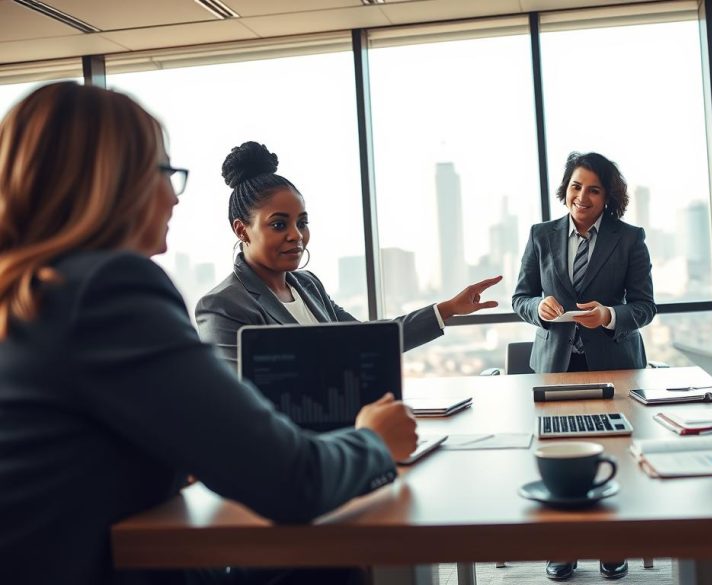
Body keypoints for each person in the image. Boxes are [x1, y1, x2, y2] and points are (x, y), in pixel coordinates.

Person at [0, 82, 418, 585]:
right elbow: (289, 480)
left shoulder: (33, 292)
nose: (174, 198)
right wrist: (374, 440)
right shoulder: (105, 291)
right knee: (329, 564)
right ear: (110, 183)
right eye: (164, 173)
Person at [195, 141, 501, 368]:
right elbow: (237, 409)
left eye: (302, 223)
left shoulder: (308, 285)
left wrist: (448, 308)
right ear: (242, 230)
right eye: (279, 224)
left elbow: (369, 341)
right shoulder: (223, 305)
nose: (296, 235)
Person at [512, 151, 656, 581]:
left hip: (612, 365)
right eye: (576, 186)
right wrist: (540, 307)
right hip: (555, 365)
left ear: (608, 197)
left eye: (594, 189)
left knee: (614, 453)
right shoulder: (541, 235)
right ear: (566, 189)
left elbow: (645, 307)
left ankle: (612, 547)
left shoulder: (629, 239)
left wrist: (608, 315)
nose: (582, 196)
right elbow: (520, 297)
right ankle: (564, 548)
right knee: (559, 457)